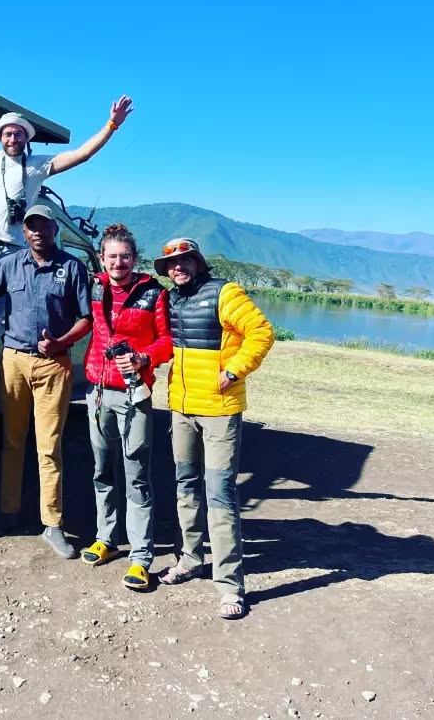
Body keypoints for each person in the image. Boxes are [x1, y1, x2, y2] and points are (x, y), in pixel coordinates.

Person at [0, 97, 133, 402]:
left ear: (26, 138)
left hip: (13, 252)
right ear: (0, 138)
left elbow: (82, 154)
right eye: (7, 133)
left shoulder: (38, 165)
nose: (12, 138)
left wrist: (112, 125)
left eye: (18, 133)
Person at [155, 237, 274, 619]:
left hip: (220, 410)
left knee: (220, 494)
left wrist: (234, 370)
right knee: (185, 487)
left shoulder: (225, 293)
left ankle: (230, 586)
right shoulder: (171, 300)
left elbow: (261, 332)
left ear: (198, 262)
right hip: (181, 409)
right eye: (172, 263)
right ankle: (190, 559)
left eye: (185, 260)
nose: (178, 267)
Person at [0, 204, 93, 558]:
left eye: (43, 226)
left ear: (55, 230)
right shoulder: (10, 265)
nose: (37, 231)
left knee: (49, 447)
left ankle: (52, 524)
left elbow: (87, 318)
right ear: (24, 232)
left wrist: (61, 342)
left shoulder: (72, 267)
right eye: (31, 226)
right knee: (12, 441)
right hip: (14, 363)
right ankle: (8, 514)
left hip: (54, 365)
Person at [79, 224, 173, 591]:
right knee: (101, 469)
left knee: (136, 474)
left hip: (135, 394)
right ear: (102, 258)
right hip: (98, 391)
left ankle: (141, 556)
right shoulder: (94, 287)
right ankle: (105, 538)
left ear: (135, 259)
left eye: (126, 256)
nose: (119, 262)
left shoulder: (153, 293)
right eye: (113, 256)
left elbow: (166, 342)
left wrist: (143, 357)